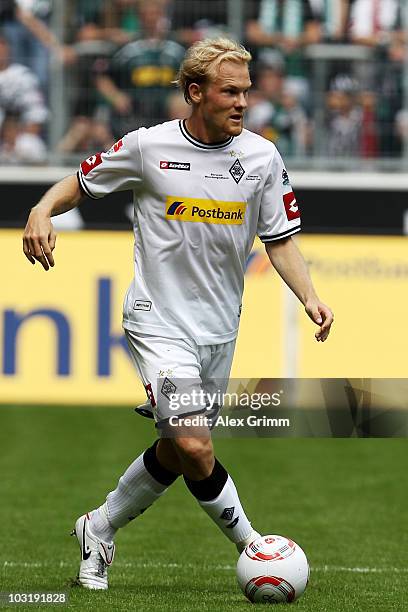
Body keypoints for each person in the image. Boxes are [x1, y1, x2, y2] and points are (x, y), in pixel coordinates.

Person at [22, 37, 333, 590]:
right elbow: (81, 182)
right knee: (193, 442)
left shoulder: (262, 157)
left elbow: (279, 241)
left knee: (177, 448)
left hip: (219, 330)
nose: (243, 102)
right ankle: (256, 548)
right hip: (157, 320)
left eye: (246, 91)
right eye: (229, 91)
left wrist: (309, 296)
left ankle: (99, 526)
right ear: (195, 92)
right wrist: (43, 208)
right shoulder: (148, 147)